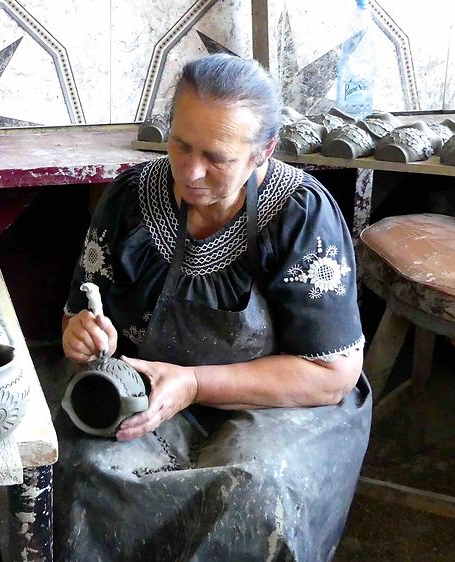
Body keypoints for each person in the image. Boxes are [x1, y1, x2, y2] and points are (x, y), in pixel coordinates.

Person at [55, 53, 372, 561]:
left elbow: (331, 374)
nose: (191, 170)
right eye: (181, 145)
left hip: (274, 403)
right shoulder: (133, 196)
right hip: (149, 387)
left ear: (262, 152)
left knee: (251, 489)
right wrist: (83, 333)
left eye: (217, 157)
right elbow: (80, 307)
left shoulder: (299, 215)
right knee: (85, 465)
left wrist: (196, 383)